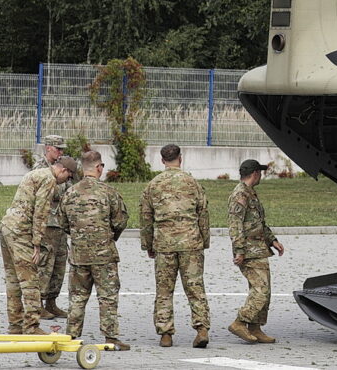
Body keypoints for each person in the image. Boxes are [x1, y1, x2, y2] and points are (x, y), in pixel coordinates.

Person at [140, 144, 211, 348]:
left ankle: (165, 334)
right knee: (195, 287)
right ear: (181, 158)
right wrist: (204, 241)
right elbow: (203, 214)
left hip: (164, 243)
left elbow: (146, 218)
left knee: (164, 290)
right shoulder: (193, 183)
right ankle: (201, 329)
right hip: (191, 243)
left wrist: (148, 245)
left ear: (162, 160)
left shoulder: (153, 185)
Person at [59, 150, 130, 351]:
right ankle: (111, 336)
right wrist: (109, 236)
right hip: (104, 255)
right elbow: (120, 220)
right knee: (107, 296)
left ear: (82, 168)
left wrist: (79, 237)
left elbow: (63, 223)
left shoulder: (70, 193)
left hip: (79, 254)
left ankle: (72, 334)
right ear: (99, 168)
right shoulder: (108, 192)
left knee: (77, 296)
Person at [0, 155, 76, 335]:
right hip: (20, 231)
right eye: (69, 176)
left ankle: (15, 325)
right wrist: (36, 242)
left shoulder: (36, 174)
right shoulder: (49, 180)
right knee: (31, 280)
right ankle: (31, 326)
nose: (67, 181)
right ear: (63, 170)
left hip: (7, 226)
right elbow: (41, 212)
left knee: (13, 281)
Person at [227, 159, 285, 344]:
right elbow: (235, 226)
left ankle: (255, 327)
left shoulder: (251, 193)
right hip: (248, 251)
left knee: (265, 291)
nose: (261, 175)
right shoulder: (239, 195)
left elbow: (258, 222)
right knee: (261, 291)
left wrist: (272, 240)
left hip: (259, 250)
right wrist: (239, 251)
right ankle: (240, 322)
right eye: (259, 172)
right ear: (254, 173)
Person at [33, 134, 71, 320]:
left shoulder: (62, 168)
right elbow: (53, 192)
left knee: (59, 265)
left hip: (60, 223)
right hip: (47, 223)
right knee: (44, 265)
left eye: (62, 149)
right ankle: (37, 304)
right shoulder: (40, 168)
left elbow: (69, 188)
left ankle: (52, 302)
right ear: (48, 148)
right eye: (58, 149)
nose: (61, 152)